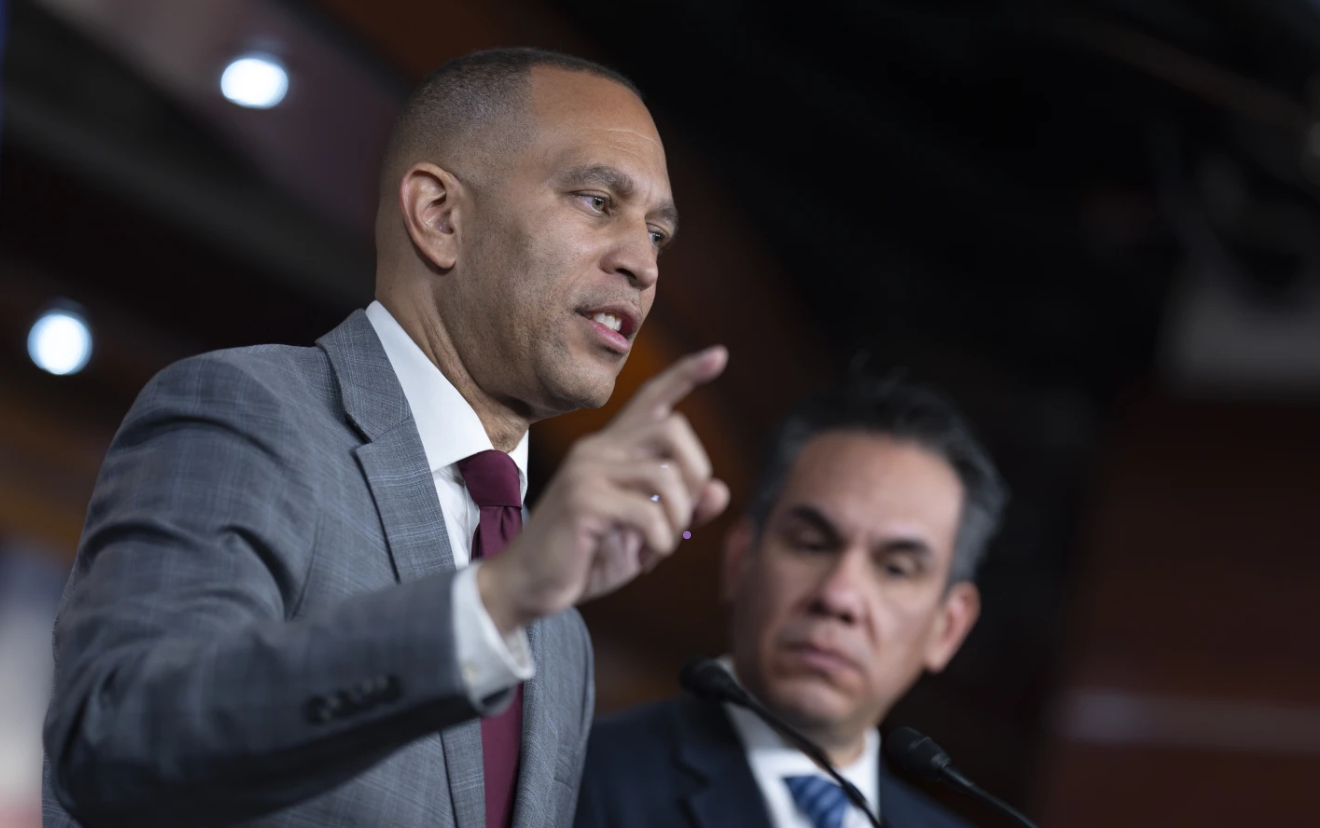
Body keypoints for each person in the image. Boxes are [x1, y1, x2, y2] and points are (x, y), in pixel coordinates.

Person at [42, 47, 730, 828]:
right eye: (597, 200)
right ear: (439, 215)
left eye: (659, 234)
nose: (642, 263)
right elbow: (119, 739)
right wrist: (492, 603)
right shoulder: (250, 414)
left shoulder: (557, 626)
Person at [574, 376, 1008, 828]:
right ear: (740, 560)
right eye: (811, 544)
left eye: (895, 569)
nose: (838, 596)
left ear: (948, 627)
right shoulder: (586, 777)